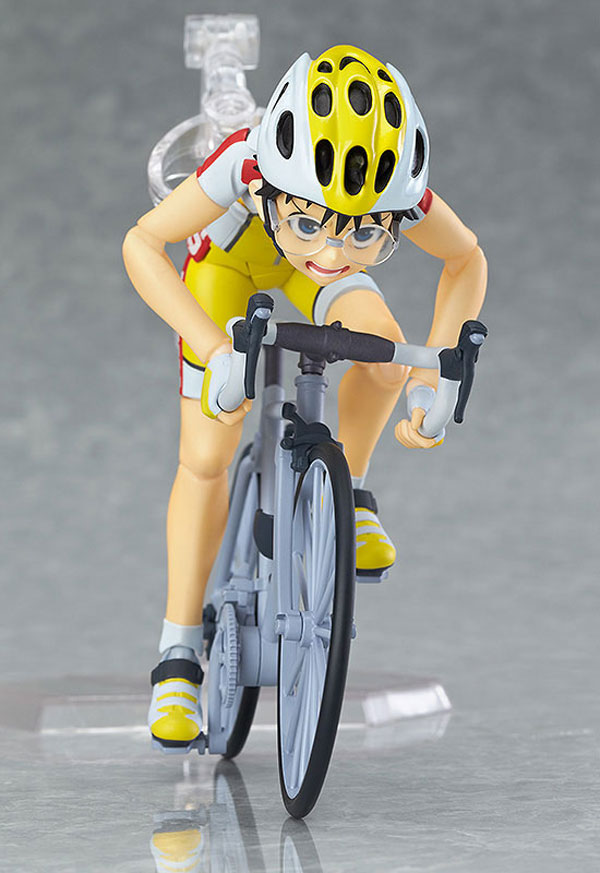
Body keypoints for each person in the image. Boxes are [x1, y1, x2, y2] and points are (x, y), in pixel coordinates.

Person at [122, 45, 487, 752]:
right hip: (225, 268)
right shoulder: (244, 161)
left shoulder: (387, 201)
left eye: (366, 230)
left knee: (383, 352)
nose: (335, 250)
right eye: (311, 220)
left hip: (297, 280)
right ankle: (177, 650)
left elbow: (465, 257)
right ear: (270, 189)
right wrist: (214, 349)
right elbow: (143, 242)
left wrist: (427, 378)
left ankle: (353, 492)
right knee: (206, 456)